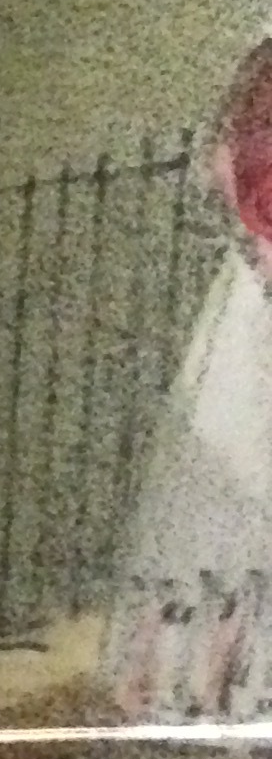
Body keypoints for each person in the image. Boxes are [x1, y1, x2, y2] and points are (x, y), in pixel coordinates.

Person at [106, 38, 272, 718]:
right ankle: (220, 679)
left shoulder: (261, 75)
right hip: (258, 292)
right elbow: (232, 170)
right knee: (241, 489)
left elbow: (224, 166)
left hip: (252, 289)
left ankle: (209, 678)